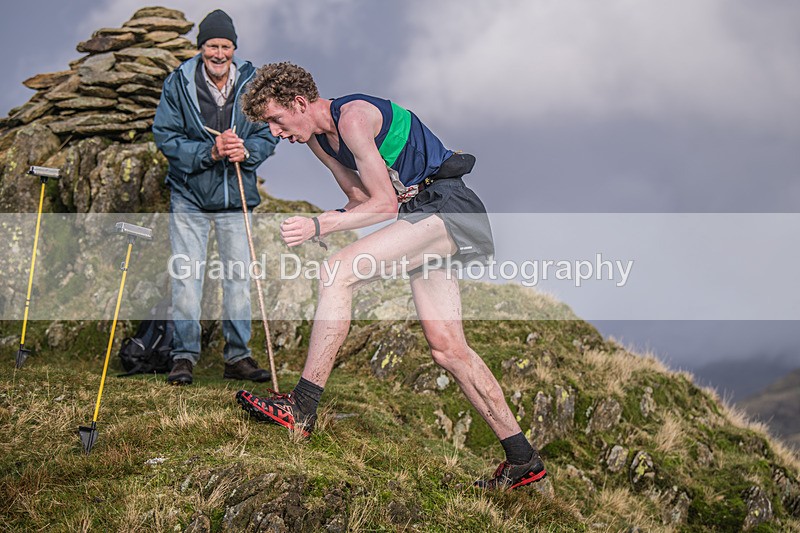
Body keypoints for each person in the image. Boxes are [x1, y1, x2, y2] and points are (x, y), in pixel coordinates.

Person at [234, 62, 547, 490]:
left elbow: (383, 206)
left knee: (338, 271)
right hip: (424, 218)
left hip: (448, 207)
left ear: (300, 103)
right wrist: (332, 220)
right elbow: (360, 198)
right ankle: (522, 460)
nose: (274, 132)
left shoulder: (354, 118)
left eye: (275, 119)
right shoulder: (319, 142)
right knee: (449, 350)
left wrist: (321, 226)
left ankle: (302, 406)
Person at [153, 10, 278, 385]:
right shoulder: (178, 83)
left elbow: (269, 132)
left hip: (235, 198)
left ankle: (237, 357)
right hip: (189, 196)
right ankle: (183, 357)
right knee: (187, 277)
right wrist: (209, 152)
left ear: (234, 48)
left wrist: (247, 151)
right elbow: (166, 136)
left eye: (225, 46)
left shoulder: (252, 83)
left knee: (239, 278)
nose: (219, 53)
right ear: (201, 48)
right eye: (211, 46)